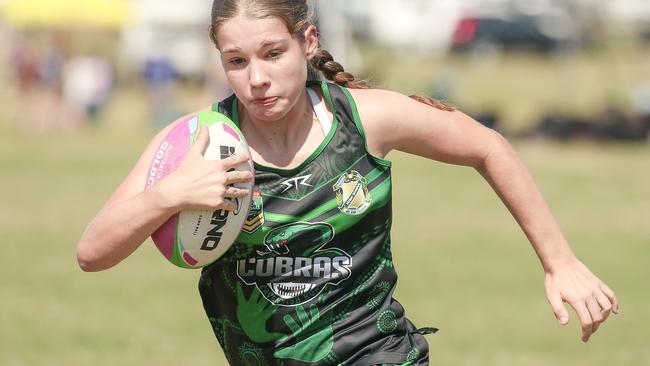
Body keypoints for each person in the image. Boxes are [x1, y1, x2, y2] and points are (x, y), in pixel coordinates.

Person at [76, 1, 620, 364]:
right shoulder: (195, 142)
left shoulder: (364, 119)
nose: (257, 77)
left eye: (272, 53)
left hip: (379, 354)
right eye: (236, 61)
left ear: (307, 42)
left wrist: (560, 261)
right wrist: (172, 195)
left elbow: (487, 146)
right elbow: (91, 252)